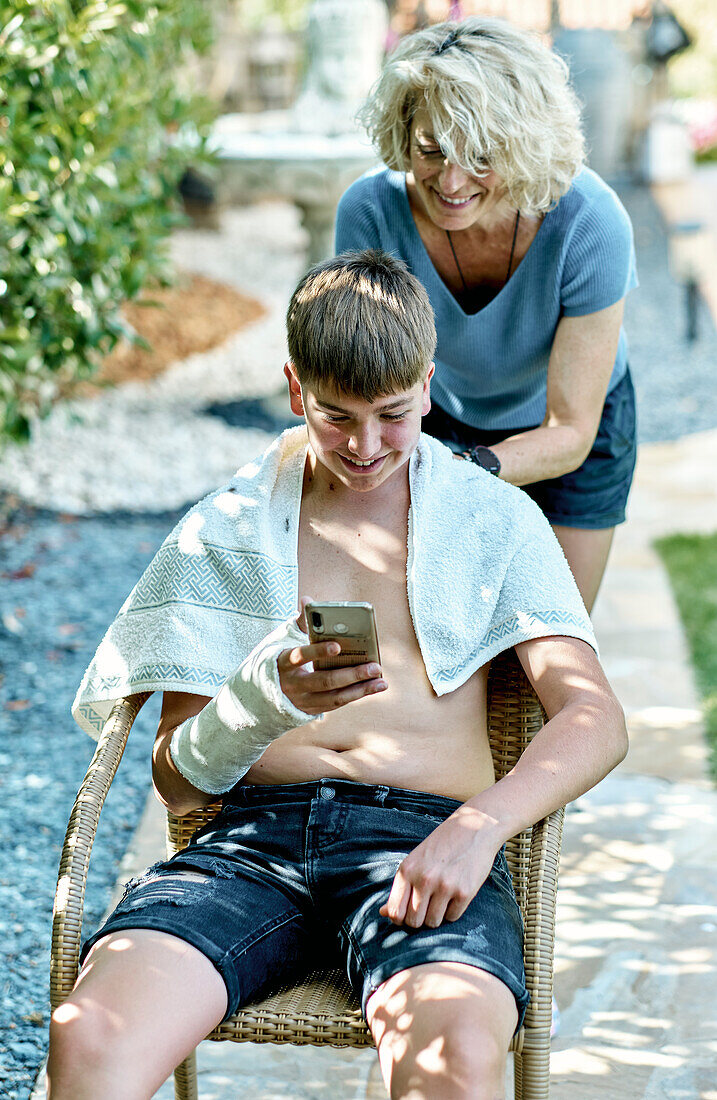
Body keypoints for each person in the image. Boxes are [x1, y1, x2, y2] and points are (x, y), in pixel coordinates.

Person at [48, 250, 627, 1100]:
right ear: (294, 390)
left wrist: (479, 827)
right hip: (249, 848)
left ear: (427, 385)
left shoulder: (493, 520)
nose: (363, 447)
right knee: (90, 1042)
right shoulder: (229, 528)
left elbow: (593, 719)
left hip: (422, 840)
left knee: (456, 1063)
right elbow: (174, 782)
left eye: (392, 415)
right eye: (336, 416)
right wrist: (259, 703)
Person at [336, 16, 639, 612]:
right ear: (404, 132)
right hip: (441, 420)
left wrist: (460, 470)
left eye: (481, 156)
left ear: (524, 144)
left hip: (573, 438)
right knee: (436, 633)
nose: (450, 182)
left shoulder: (591, 222)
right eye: (431, 150)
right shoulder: (370, 212)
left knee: (548, 641)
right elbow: (362, 381)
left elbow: (570, 430)